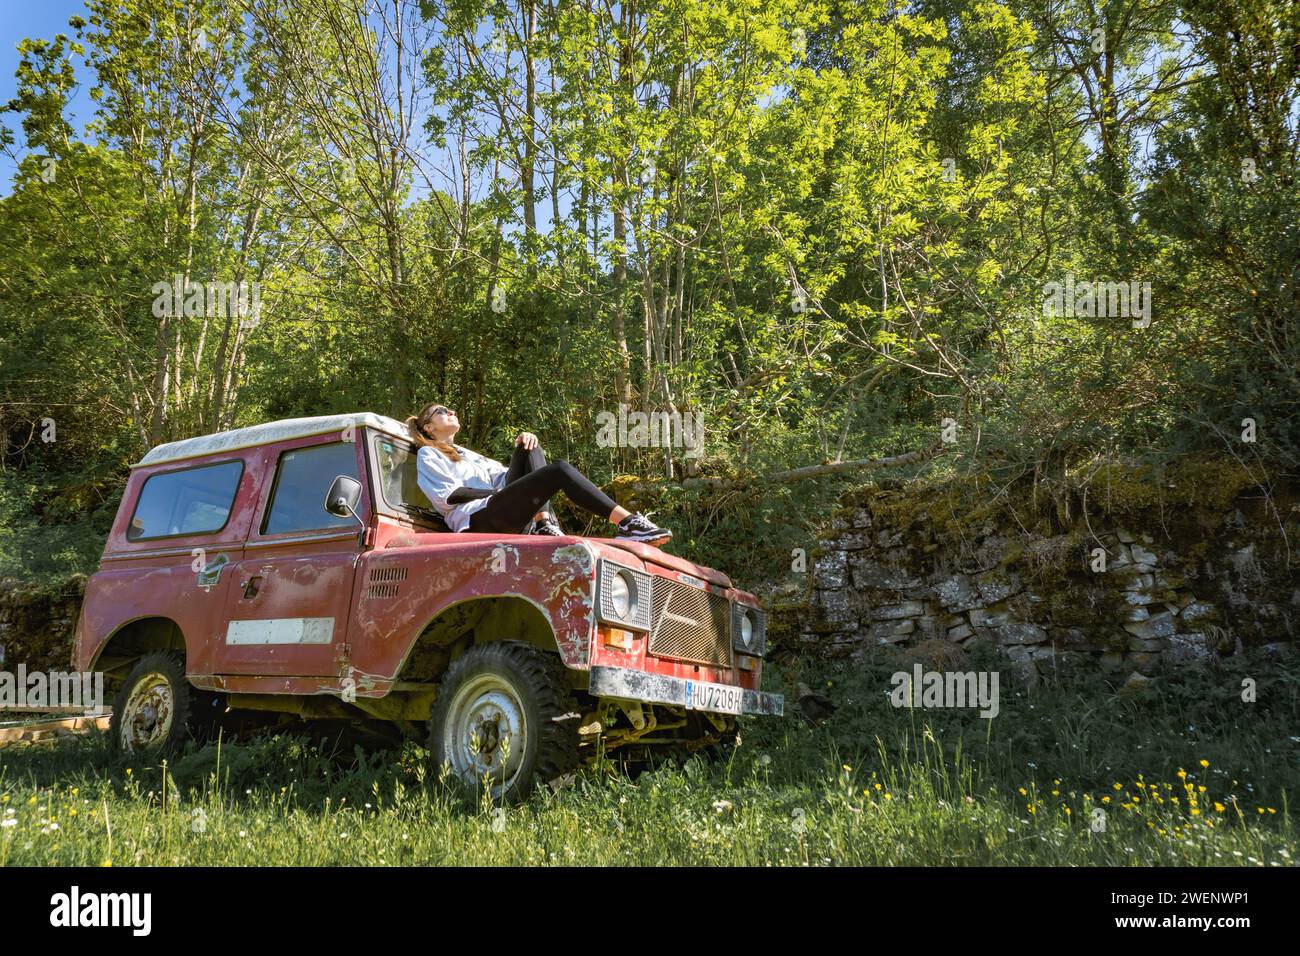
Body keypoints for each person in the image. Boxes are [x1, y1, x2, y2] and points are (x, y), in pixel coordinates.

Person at [407, 401, 672, 545]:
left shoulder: (469, 455)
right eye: (441, 411)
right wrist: (498, 493)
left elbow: (506, 477)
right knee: (558, 471)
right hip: (475, 520)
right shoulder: (429, 454)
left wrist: (523, 444)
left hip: (496, 507)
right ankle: (628, 523)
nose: (451, 411)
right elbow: (449, 496)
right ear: (429, 428)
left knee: (529, 445)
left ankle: (544, 524)